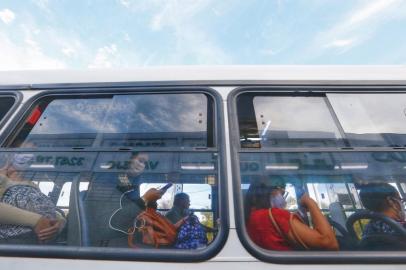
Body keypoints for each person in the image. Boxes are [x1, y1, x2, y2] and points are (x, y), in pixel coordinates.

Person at [245, 179, 339, 251]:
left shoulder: (250, 218)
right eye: (282, 193)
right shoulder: (274, 215)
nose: (283, 199)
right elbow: (329, 242)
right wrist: (310, 202)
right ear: (268, 192)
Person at [0, 153, 65, 243]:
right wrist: (36, 220)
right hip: (11, 244)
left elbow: (42, 208)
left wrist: (59, 221)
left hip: (33, 246)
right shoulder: (5, 183)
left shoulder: (32, 189)